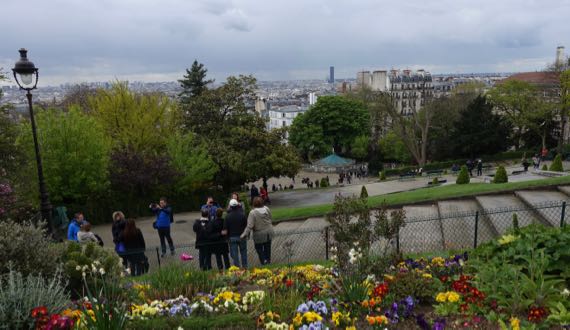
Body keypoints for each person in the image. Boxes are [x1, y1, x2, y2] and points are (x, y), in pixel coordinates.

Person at [241, 197, 274, 265]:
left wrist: (244, 234)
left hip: (259, 233)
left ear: (254, 203)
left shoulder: (252, 213)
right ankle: (268, 261)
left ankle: (264, 261)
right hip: (269, 231)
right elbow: (271, 218)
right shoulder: (267, 209)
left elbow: (249, 225)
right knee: (267, 248)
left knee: (259, 248)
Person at [225, 198, 248, 268]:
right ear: (237, 206)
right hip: (242, 236)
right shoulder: (242, 215)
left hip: (232, 237)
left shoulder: (227, 216)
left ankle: (237, 268)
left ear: (230, 206)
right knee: (243, 252)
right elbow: (246, 225)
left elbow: (226, 229)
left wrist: (227, 237)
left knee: (235, 254)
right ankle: (245, 267)